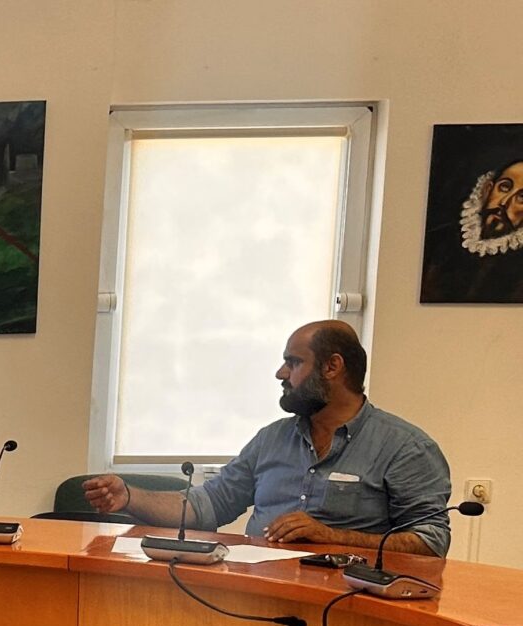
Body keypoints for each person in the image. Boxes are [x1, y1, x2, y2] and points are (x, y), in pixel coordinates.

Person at [83, 321, 454, 554]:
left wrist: (333, 536)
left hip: (349, 607)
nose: (281, 373)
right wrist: (129, 496)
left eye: (293, 362)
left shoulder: (405, 448)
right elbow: (207, 506)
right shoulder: (271, 439)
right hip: (257, 592)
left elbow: (431, 540)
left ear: (332, 366)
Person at [421, 158, 523, 304]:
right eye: (504, 187)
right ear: (488, 190)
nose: (504, 202)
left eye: (521, 197)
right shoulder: (437, 238)